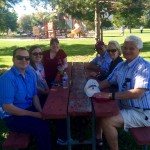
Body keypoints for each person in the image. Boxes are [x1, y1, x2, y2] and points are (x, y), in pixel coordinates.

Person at [93, 35, 150, 150]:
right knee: (101, 109)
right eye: (125, 48)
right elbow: (108, 81)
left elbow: (137, 92)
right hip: (125, 106)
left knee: (107, 120)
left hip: (141, 112)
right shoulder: (121, 65)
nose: (127, 51)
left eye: (131, 48)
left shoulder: (144, 67)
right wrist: (94, 89)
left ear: (139, 50)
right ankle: (98, 138)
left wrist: (110, 95)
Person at [0, 47, 52, 150]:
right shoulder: (7, 78)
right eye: (20, 57)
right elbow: (8, 108)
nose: (24, 60)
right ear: (13, 59)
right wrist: (34, 114)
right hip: (12, 116)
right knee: (41, 127)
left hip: (28, 107)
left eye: (27, 58)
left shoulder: (30, 74)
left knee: (48, 112)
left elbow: (34, 95)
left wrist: (40, 111)